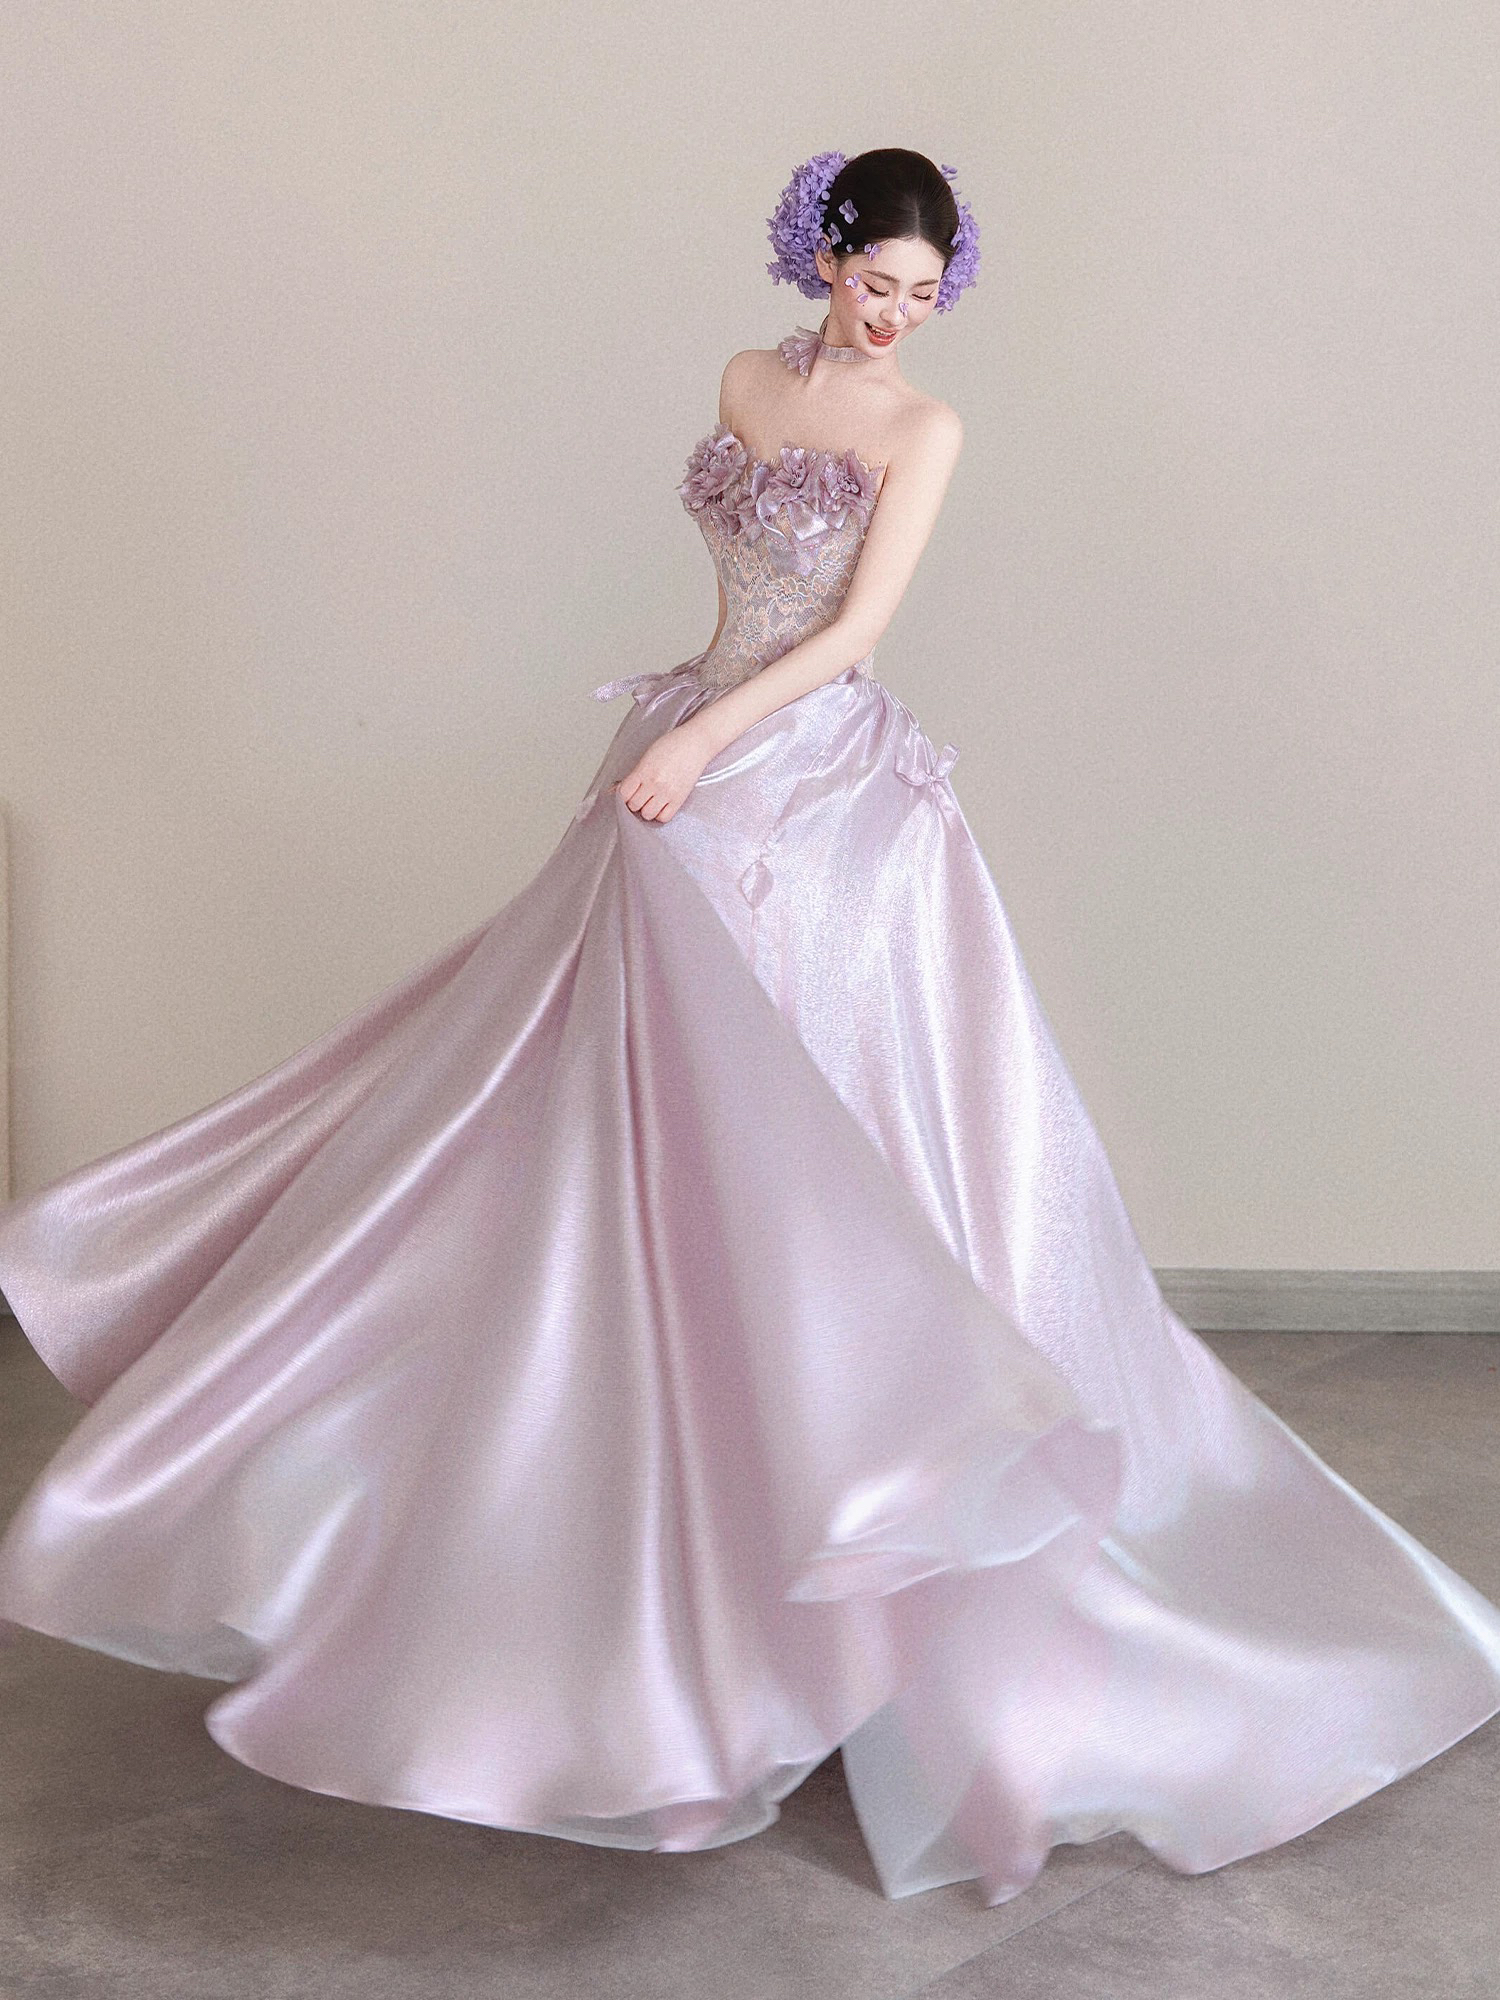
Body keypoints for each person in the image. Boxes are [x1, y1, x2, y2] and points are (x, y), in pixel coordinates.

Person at [0, 145, 1497, 1908]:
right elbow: (738, 593)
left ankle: (888, 1549)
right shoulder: (744, 379)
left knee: (822, 1165)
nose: (899, 316)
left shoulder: (925, 429)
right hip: (682, 757)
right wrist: (680, 731)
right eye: (878, 282)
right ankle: (632, 1570)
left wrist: (706, 742)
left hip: (811, 794)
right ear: (822, 254)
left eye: (927, 295)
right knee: (597, 1150)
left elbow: (856, 627)